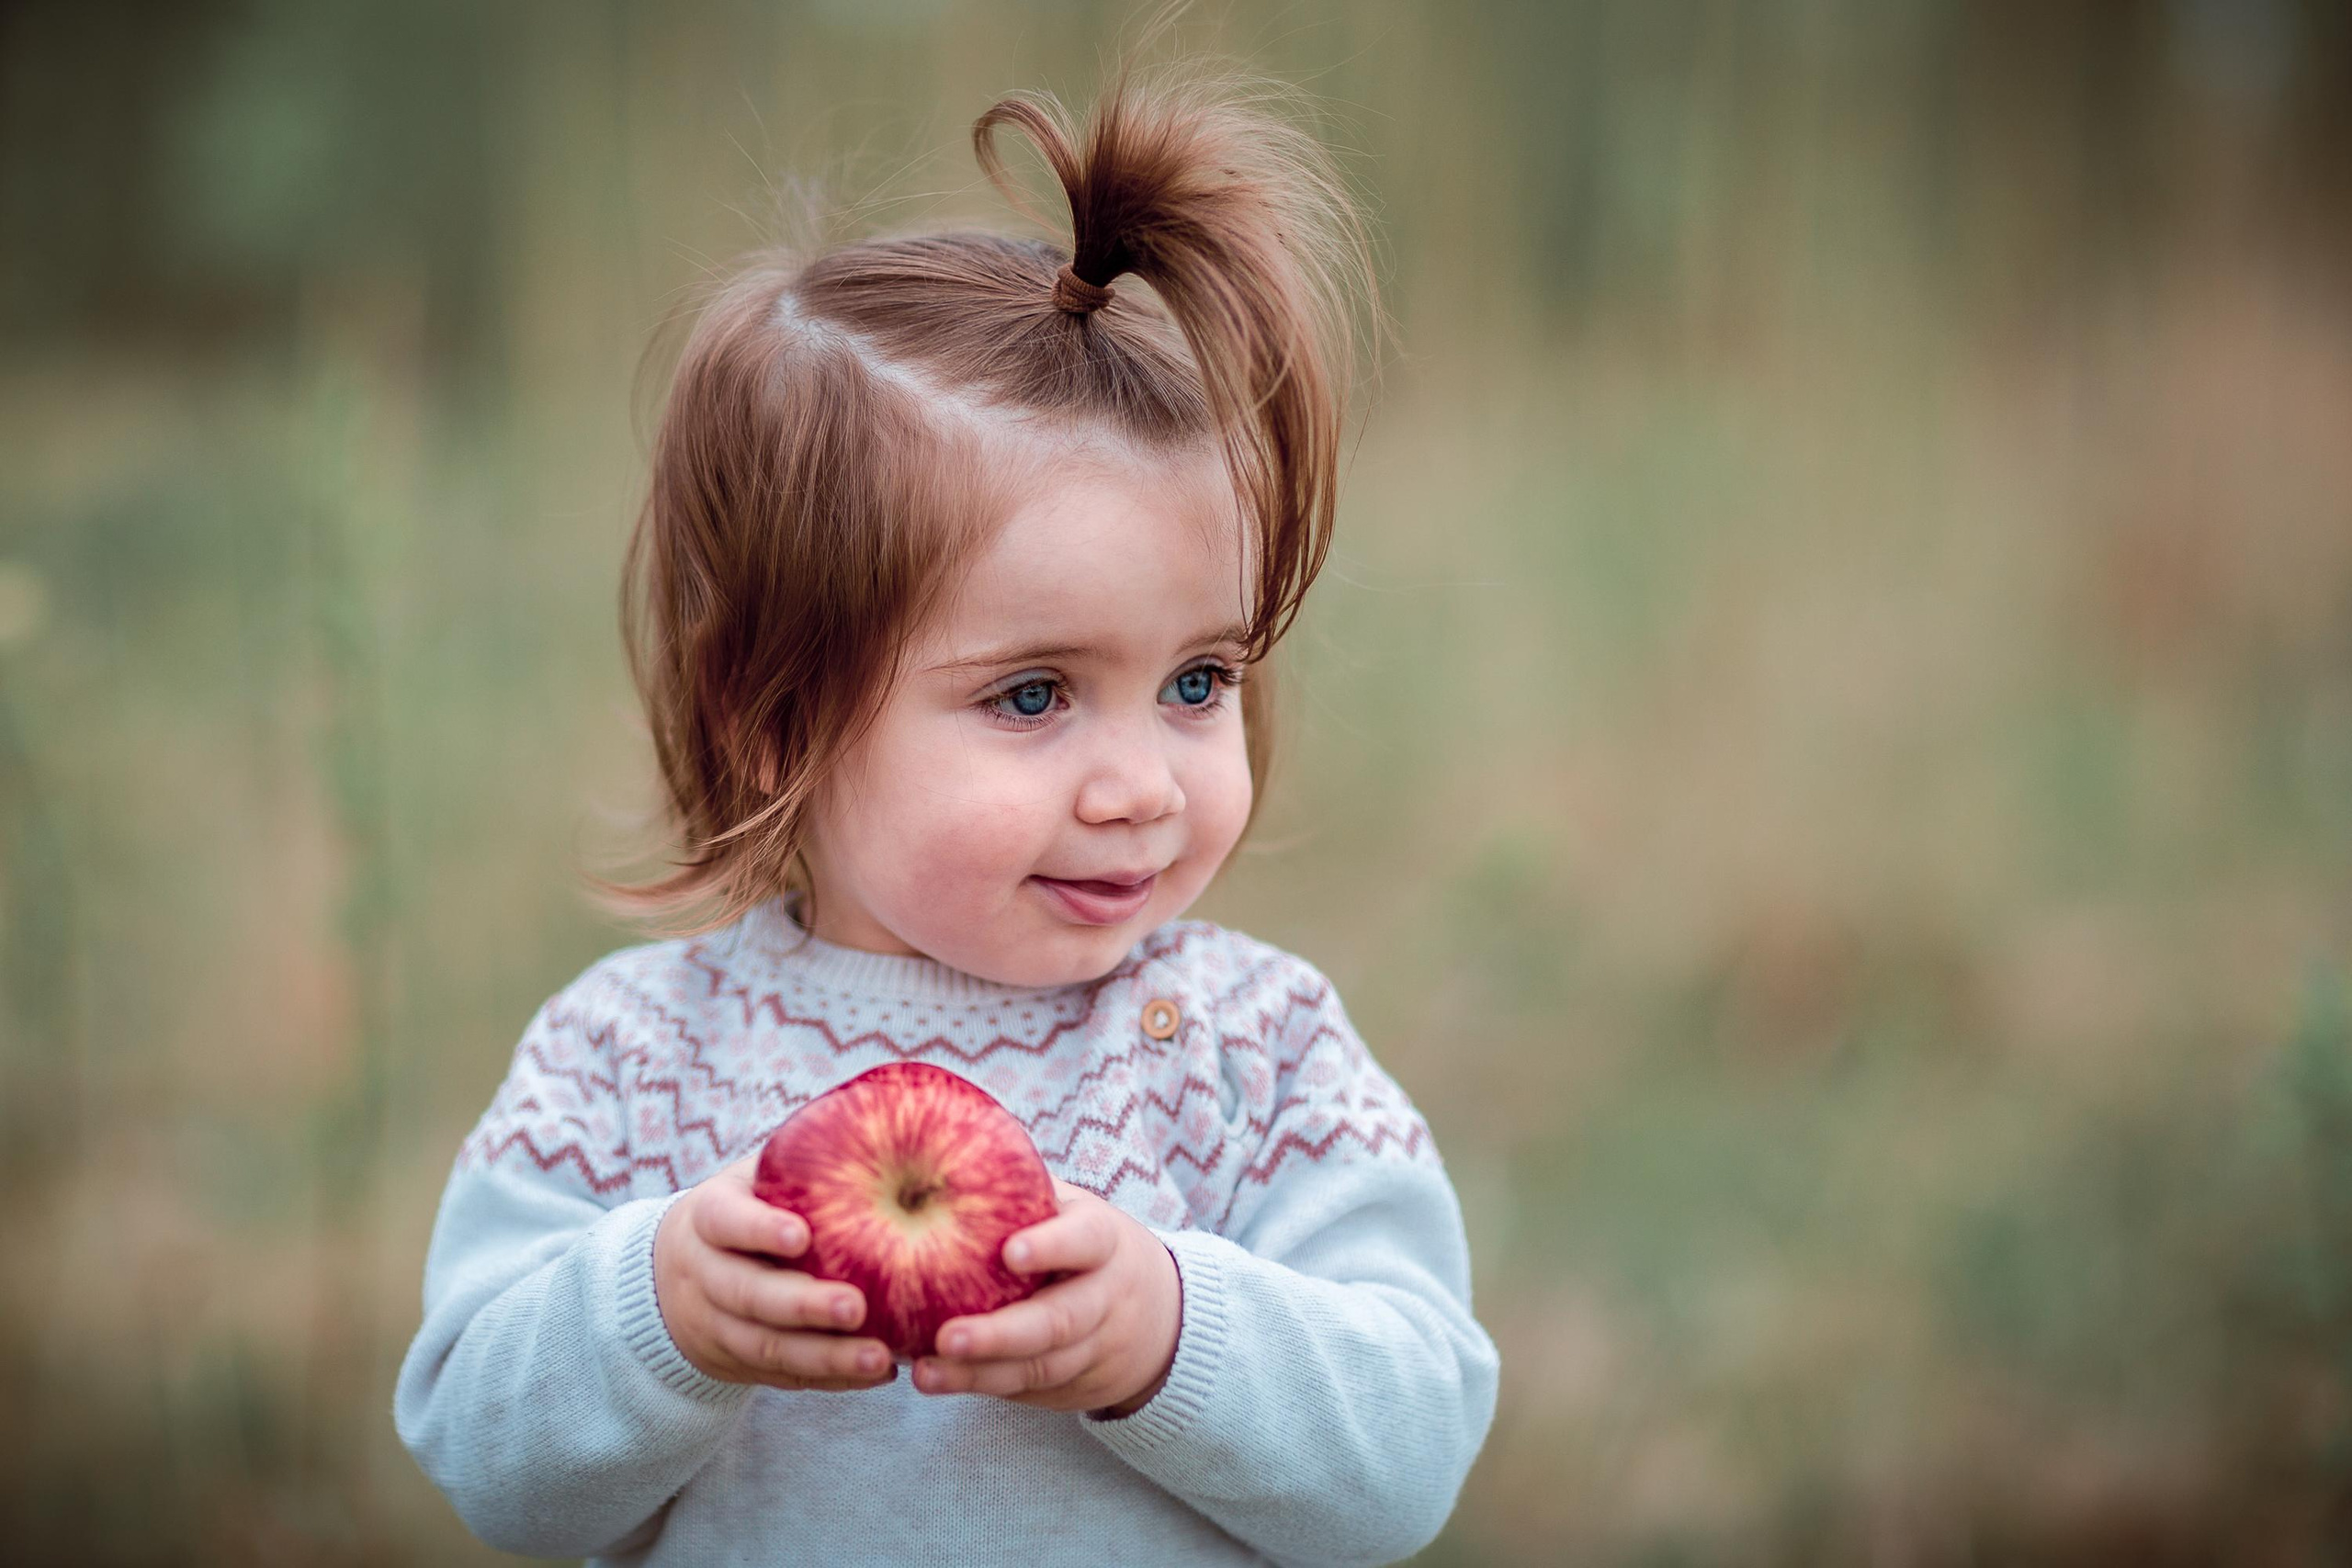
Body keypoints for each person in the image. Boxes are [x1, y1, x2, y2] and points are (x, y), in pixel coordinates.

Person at [393, 55, 1499, 1568]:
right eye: (1034, 696)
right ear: (773, 713)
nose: (1143, 785)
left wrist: (1177, 1337)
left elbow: (1411, 1458)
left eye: (1198, 678)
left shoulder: (1257, 1055)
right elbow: (483, 1464)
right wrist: (653, 1315)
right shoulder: (637, 1058)